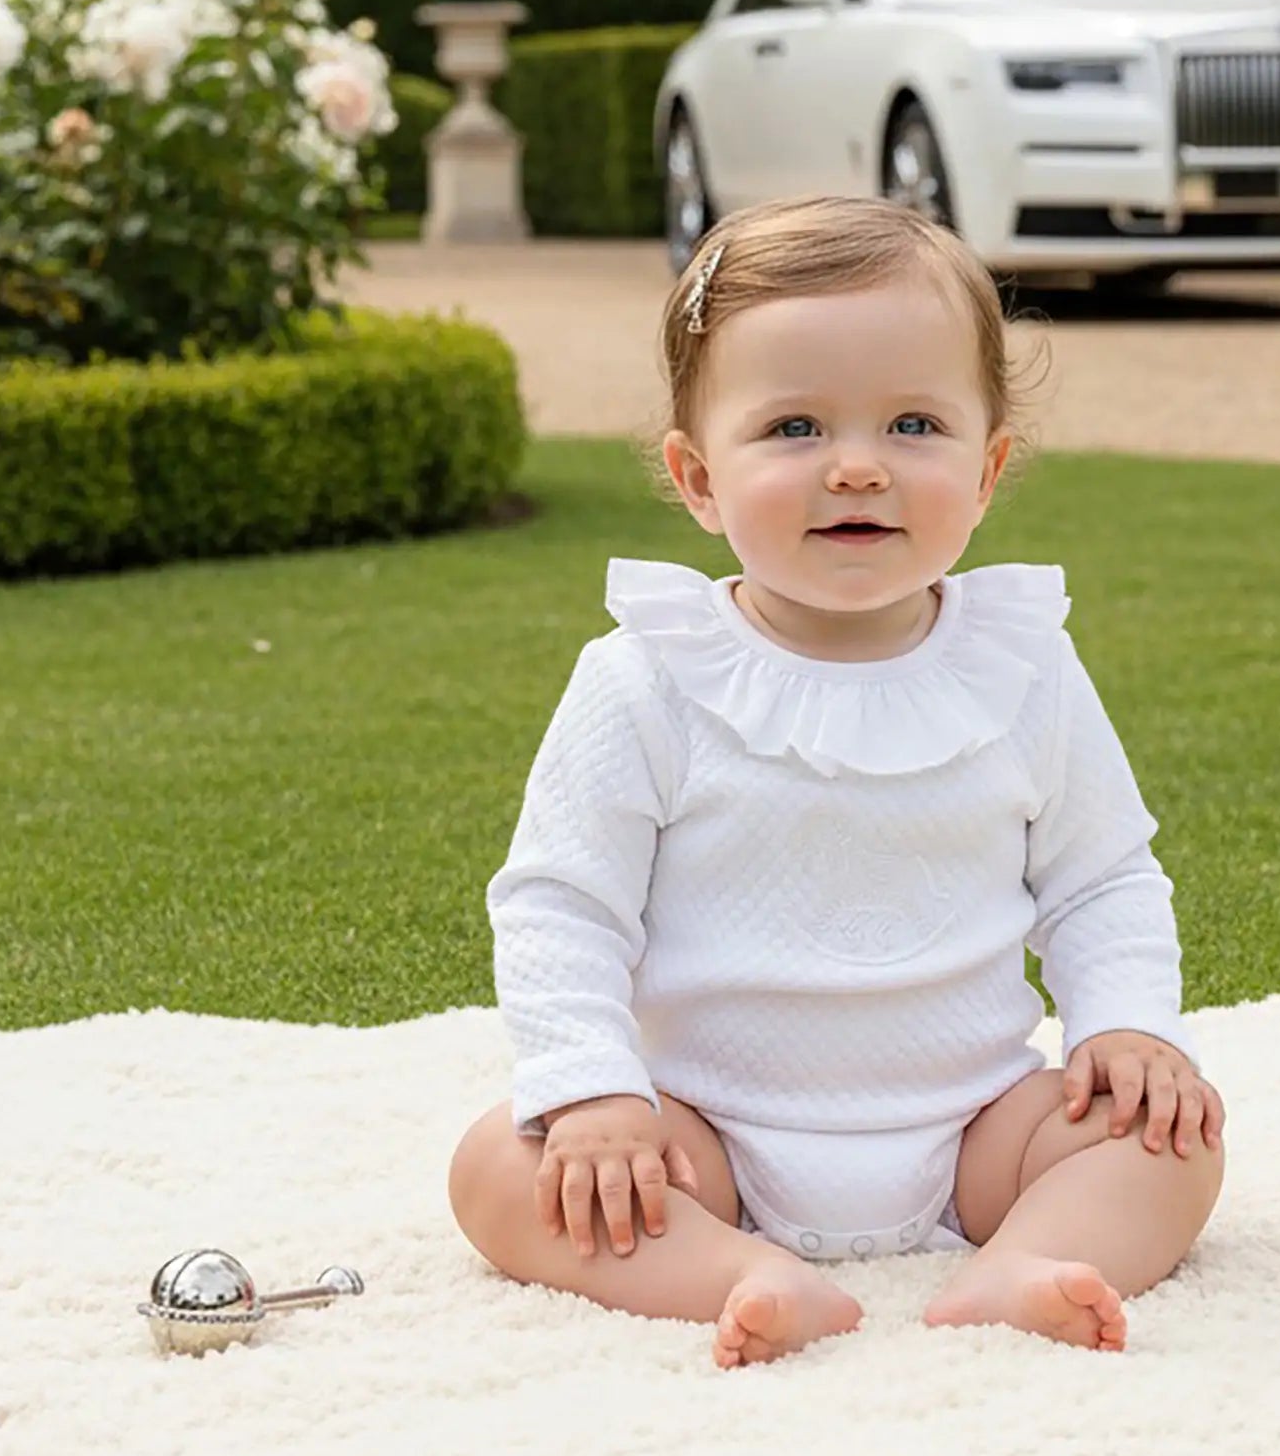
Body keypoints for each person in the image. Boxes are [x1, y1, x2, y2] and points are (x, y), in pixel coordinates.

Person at [448, 194, 1226, 1369]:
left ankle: (1017, 1260)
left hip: (977, 1130)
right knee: (499, 1170)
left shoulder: (1020, 667)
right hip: (704, 1136)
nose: (857, 468)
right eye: (796, 428)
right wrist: (596, 1094)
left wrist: (1127, 1028)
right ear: (700, 479)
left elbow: (1102, 876)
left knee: (1174, 1141)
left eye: (914, 425)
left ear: (990, 466)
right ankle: (742, 1269)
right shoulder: (648, 678)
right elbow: (563, 902)